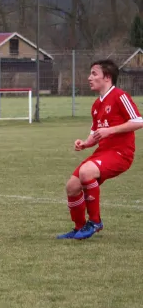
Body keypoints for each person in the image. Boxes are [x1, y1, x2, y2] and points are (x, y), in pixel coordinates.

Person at [57, 59, 143, 240]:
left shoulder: (120, 96)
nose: (89, 78)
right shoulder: (96, 105)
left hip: (121, 154)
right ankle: (79, 228)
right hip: (102, 153)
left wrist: (110, 130)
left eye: (94, 74)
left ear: (107, 77)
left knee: (86, 172)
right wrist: (85, 143)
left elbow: (139, 121)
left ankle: (95, 222)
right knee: (72, 187)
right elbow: (96, 134)